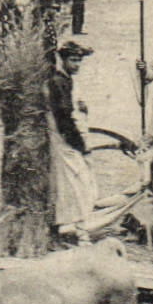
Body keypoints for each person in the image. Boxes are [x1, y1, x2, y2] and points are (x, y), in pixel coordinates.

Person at [48, 41, 97, 242]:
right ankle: (77, 227)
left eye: (79, 61)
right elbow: (64, 119)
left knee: (72, 183)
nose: (76, 65)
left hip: (64, 138)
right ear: (63, 60)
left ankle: (71, 225)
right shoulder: (59, 82)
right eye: (73, 60)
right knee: (79, 182)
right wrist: (80, 145)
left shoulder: (66, 80)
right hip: (63, 140)